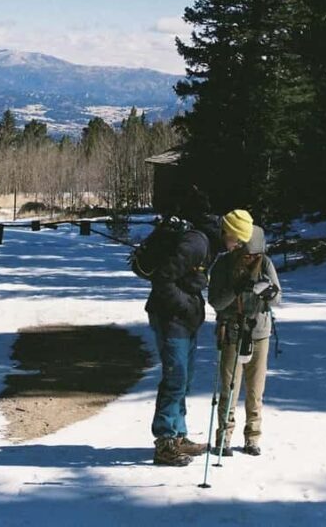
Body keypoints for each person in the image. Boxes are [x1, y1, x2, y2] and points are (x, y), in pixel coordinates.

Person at [146, 190, 220, 467]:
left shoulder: (208, 242)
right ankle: (165, 442)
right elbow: (162, 279)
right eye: (238, 241)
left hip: (184, 319)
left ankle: (178, 435)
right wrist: (185, 306)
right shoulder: (195, 244)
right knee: (175, 379)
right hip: (170, 318)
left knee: (184, 380)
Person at [209, 219, 282, 457]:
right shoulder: (223, 264)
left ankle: (253, 437)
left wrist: (268, 291)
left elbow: (277, 299)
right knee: (229, 389)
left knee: (255, 390)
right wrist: (237, 288)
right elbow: (216, 302)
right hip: (231, 329)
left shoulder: (265, 262)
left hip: (259, 331)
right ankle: (224, 437)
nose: (249, 258)